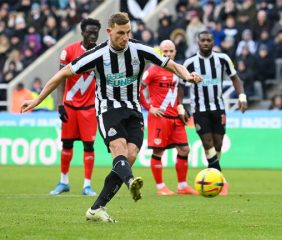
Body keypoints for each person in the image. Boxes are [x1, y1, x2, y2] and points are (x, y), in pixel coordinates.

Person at [21, 12, 202, 223]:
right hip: (108, 109)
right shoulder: (96, 55)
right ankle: (131, 181)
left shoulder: (139, 49)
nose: (124, 38)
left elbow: (171, 64)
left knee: (130, 155)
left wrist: (187, 75)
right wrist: (38, 100)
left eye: (127, 33)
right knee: (119, 150)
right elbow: (61, 75)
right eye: (120, 33)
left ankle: (96, 208)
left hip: (133, 110)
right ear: (109, 32)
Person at [178, 31, 247, 196]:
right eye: (203, 40)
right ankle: (220, 179)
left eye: (209, 40)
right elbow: (180, 85)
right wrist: (180, 106)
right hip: (199, 109)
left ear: (213, 42)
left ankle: (214, 173)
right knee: (206, 141)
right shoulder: (190, 62)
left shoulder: (222, 59)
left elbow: (235, 78)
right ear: (197, 41)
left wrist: (242, 96)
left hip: (218, 107)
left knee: (218, 143)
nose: (206, 43)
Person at [49, 18, 101, 196]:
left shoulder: (102, 52)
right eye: (89, 31)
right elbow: (60, 77)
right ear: (82, 32)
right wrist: (60, 103)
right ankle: (63, 181)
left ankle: (87, 185)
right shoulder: (69, 51)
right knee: (67, 144)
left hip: (90, 108)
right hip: (70, 106)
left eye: (96, 31)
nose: (93, 35)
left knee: (89, 146)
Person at [139, 40, 198, 196]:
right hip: (160, 117)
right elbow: (137, 90)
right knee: (158, 151)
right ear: (159, 52)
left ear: (175, 52)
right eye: (164, 51)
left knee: (184, 149)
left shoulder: (177, 70)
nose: (168, 54)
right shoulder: (152, 71)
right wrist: (149, 108)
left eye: (170, 51)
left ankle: (182, 186)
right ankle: (160, 187)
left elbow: (180, 88)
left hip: (176, 118)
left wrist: (180, 105)